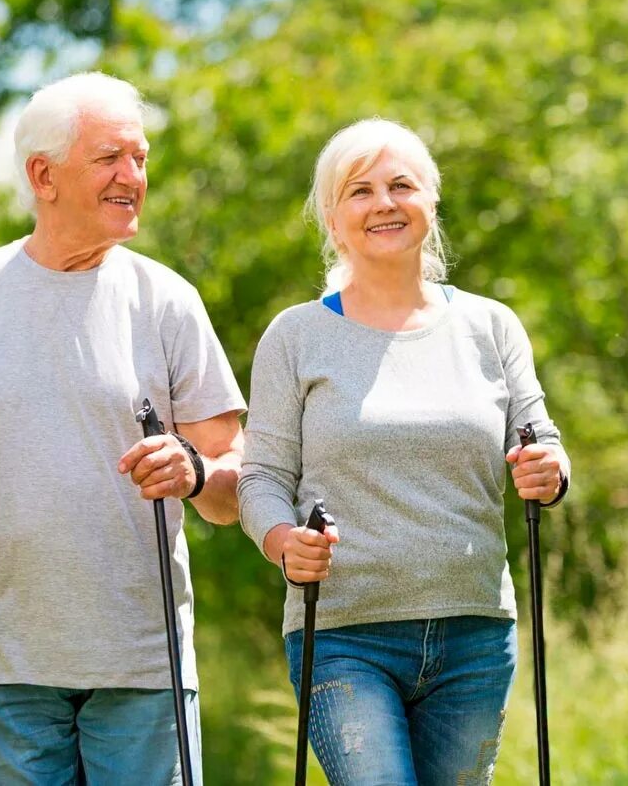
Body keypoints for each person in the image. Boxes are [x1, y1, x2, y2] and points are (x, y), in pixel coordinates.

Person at [0, 72, 245, 785]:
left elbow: (231, 481)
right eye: (110, 158)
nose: (132, 176)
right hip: (4, 664)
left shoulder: (168, 301)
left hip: (143, 662)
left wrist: (194, 468)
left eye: (140, 158)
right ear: (44, 174)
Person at [237, 118, 571, 785]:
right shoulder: (295, 337)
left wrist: (550, 473)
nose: (383, 203)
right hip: (342, 634)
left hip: (474, 633)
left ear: (431, 201)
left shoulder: (490, 325)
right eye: (359, 191)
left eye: (400, 185)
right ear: (332, 219)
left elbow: (543, 444)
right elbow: (262, 478)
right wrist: (282, 541)